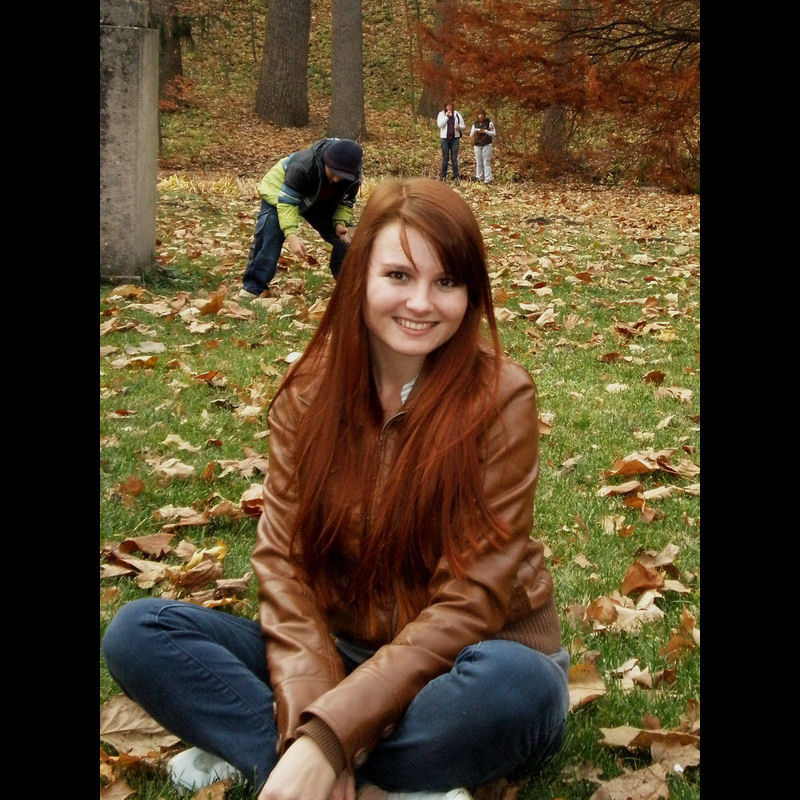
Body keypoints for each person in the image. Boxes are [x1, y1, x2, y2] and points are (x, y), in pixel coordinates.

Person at [102, 177, 570, 800]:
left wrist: (326, 736)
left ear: (470, 292)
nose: (422, 303)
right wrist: (321, 716)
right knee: (140, 633)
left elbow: (470, 602)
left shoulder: (501, 398)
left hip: (467, 665)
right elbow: (283, 563)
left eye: (447, 282)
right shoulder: (308, 394)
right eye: (399, 276)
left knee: (518, 687)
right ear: (360, 277)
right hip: (339, 655)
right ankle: (377, 782)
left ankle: (285, 759)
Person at [240, 138, 363, 298]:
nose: (336, 179)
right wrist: (291, 235)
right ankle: (253, 287)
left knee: (350, 240)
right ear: (326, 161)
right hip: (279, 192)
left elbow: (346, 202)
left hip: (318, 201)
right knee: (270, 231)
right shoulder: (303, 165)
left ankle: (350, 287)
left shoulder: (353, 176)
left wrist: (340, 223)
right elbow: (287, 202)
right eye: (333, 173)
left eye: (342, 176)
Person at [436, 102, 466, 181]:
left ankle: (456, 176)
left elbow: (463, 126)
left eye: (450, 106)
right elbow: (440, 125)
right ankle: (443, 176)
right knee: (445, 158)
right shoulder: (441, 114)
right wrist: (446, 117)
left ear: (452, 106)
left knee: (454, 158)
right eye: (447, 106)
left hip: (455, 139)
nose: (449, 107)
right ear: (445, 107)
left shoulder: (457, 114)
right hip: (444, 139)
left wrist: (459, 127)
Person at [469, 110, 496, 185]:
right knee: (479, 162)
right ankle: (479, 177)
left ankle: (488, 179)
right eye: (479, 114)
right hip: (477, 145)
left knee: (486, 162)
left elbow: (494, 133)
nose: (480, 116)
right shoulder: (475, 124)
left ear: (484, 115)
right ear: (477, 115)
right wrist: (475, 131)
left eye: (482, 114)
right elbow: (471, 134)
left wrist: (485, 131)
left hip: (486, 144)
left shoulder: (489, 123)